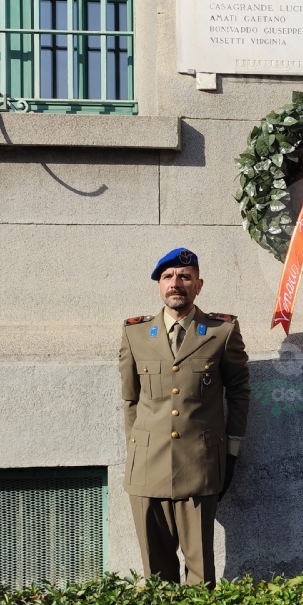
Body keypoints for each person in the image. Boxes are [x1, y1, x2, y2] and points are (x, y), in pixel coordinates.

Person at [118, 247, 250, 585]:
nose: (176, 283)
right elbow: (131, 399)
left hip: (199, 465)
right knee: (156, 572)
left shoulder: (221, 331)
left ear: (198, 285)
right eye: (168, 277)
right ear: (159, 286)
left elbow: (238, 392)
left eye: (184, 277)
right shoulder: (135, 332)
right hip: (147, 466)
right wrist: (136, 450)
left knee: (201, 573)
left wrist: (231, 451)